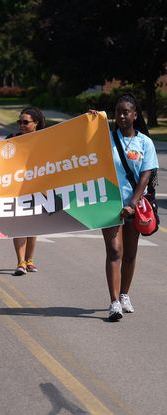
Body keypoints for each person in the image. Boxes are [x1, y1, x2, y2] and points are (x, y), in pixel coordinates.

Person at [90, 94, 158, 321]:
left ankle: (125, 294)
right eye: (117, 111)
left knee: (130, 253)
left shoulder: (145, 143)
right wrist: (89, 122)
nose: (121, 116)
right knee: (114, 251)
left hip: (134, 206)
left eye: (126, 112)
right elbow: (82, 149)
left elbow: (145, 176)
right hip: (109, 204)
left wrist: (131, 204)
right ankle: (114, 302)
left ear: (135, 115)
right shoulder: (106, 139)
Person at [6, 107, 46, 275]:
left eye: (25, 122)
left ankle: (30, 260)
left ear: (35, 124)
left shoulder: (46, 139)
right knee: (19, 225)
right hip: (16, 189)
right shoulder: (11, 139)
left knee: (32, 227)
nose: (21, 125)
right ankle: (20, 262)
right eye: (19, 122)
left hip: (38, 188)